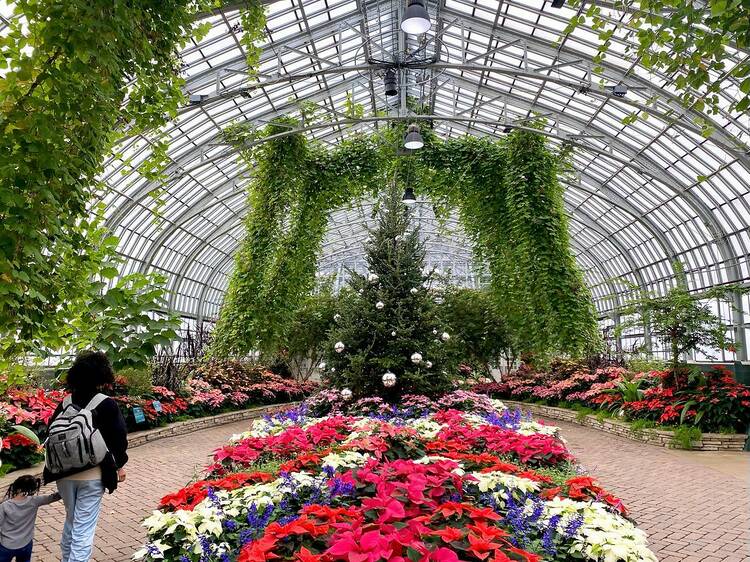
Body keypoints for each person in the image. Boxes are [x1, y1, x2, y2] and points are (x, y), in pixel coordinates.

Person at [43, 351, 129, 562]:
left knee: (71, 520)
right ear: (102, 375)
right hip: (93, 473)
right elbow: (119, 439)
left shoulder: (65, 402)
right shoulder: (106, 403)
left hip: (63, 473)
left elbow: (50, 433)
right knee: (84, 527)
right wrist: (119, 465)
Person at [0, 475, 61, 562]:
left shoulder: (5, 506)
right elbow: (53, 497)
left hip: (6, 545)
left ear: (16, 487)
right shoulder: (35, 501)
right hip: (26, 544)